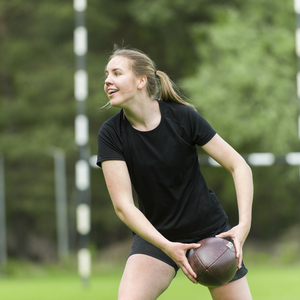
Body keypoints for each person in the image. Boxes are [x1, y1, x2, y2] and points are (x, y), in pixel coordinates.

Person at [97, 47, 253, 300]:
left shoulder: (182, 117)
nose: (107, 80)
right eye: (106, 74)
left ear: (141, 81)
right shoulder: (111, 133)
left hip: (210, 233)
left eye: (116, 73)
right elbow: (123, 206)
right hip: (157, 236)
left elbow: (239, 166)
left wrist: (243, 225)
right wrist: (167, 246)